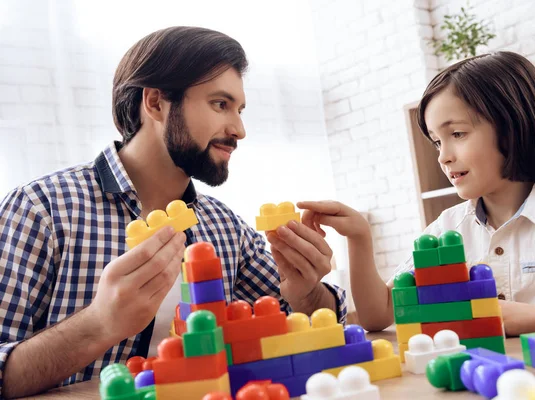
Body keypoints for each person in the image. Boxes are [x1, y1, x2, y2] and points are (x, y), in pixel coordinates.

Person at [0, 26, 346, 399]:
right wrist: (100, 324)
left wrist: (306, 291)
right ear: (155, 103)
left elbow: (314, 322)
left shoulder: (224, 226)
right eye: (220, 104)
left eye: (240, 109)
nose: (239, 129)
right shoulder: (42, 210)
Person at [299, 51, 535, 337]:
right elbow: (379, 314)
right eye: (437, 142)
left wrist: (532, 318)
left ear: (513, 128)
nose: (443, 157)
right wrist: (359, 238)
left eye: (457, 134)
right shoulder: (447, 228)